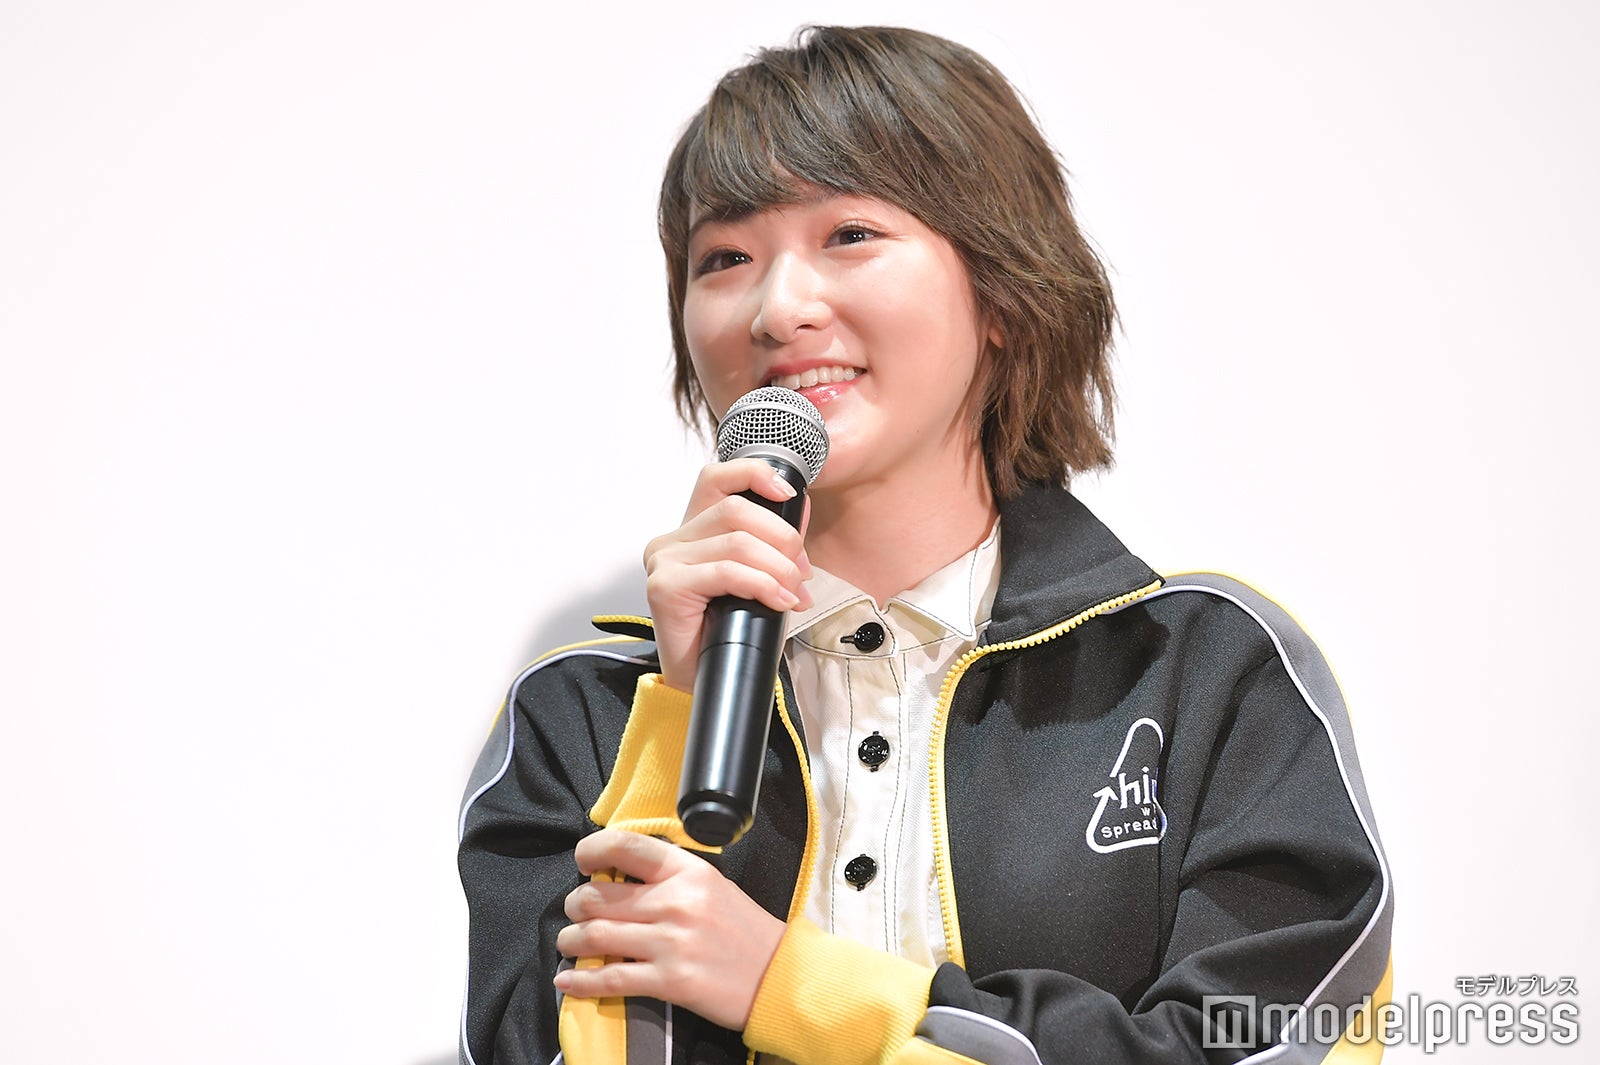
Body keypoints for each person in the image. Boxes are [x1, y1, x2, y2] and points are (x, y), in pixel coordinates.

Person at [458, 25, 1392, 1065]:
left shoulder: (1204, 675)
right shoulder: (580, 716)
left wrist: (791, 989)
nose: (777, 308)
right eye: (724, 259)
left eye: (849, 234)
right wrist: (677, 719)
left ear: (1002, 292)